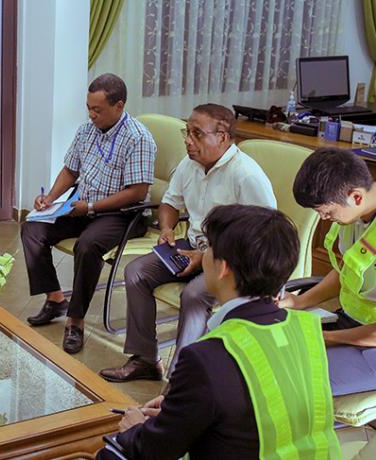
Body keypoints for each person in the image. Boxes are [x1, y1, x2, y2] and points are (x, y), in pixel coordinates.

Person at [100, 205, 339, 460]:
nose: (203, 254)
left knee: (112, 453)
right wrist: (182, 409)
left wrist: (136, 427)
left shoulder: (205, 356)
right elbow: (251, 410)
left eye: (207, 247)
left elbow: (154, 450)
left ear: (222, 268)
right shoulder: (306, 329)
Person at [100, 103, 276, 382]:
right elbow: (170, 202)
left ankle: (182, 378)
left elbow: (263, 235)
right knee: (136, 272)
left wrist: (207, 256)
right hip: (192, 246)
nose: (188, 141)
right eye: (187, 131)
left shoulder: (246, 175)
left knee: (193, 295)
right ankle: (145, 358)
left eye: (196, 134)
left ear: (222, 137)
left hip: (231, 260)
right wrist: (168, 229)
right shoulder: (189, 164)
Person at [21, 73, 157, 354]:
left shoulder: (138, 138)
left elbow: (137, 192)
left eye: (98, 109)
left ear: (119, 106)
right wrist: (50, 198)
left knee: (88, 245)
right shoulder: (86, 130)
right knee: (32, 227)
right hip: (81, 206)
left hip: (122, 214)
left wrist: (92, 207)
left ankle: (75, 320)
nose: (92, 115)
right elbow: (71, 170)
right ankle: (56, 298)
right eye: (89, 108)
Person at [284, 147, 376, 396]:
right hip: (350, 324)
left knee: (296, 382)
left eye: (326, 211)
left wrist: (327, 338)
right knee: (273, 354)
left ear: (355, 196)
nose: (323, 219)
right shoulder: (358, 211)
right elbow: (347, 272)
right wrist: (298, 302)